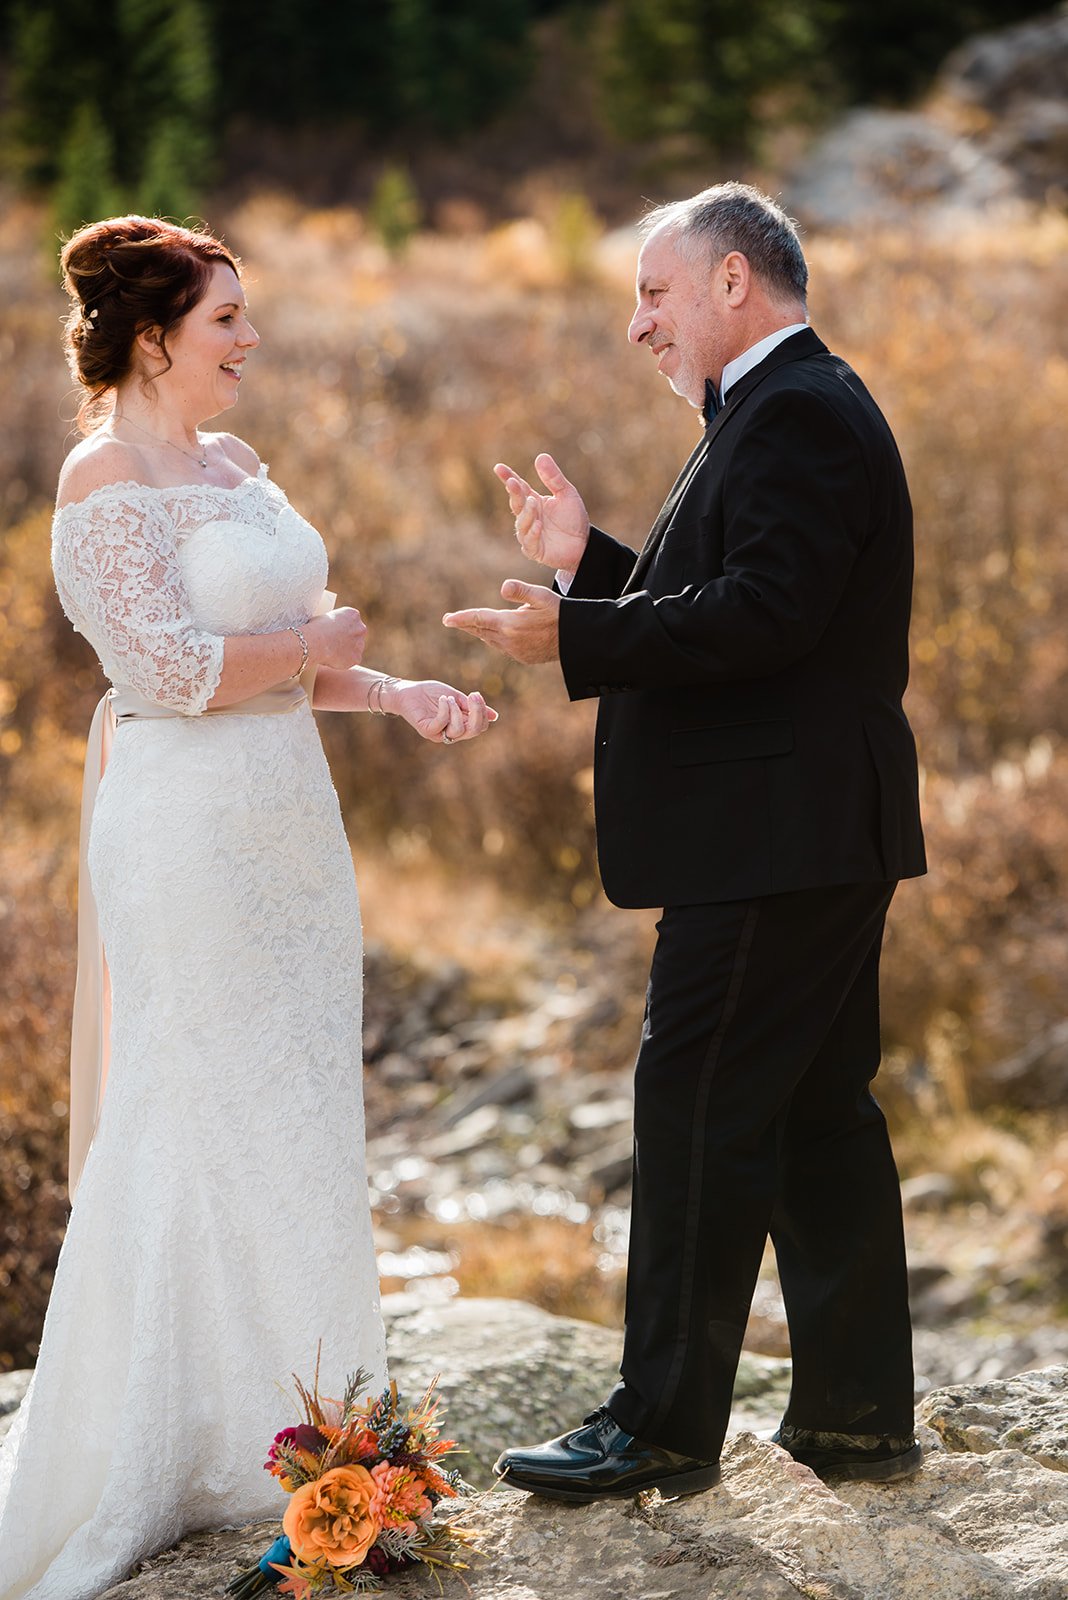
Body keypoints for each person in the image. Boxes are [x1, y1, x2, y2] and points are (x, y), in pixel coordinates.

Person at [0, 215, 496, 1600]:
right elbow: (162, 670)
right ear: (154, 337)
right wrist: (312, 649)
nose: (251, 343)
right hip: (186, 829)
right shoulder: (100, 479)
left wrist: (392, 693)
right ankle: (162, 1442)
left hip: (289, 821)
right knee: (194, 1096)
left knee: (294, 1103)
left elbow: (296, 659)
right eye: (227, 321)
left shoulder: (238, 465)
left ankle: (313, 1431)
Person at [444, 181, 927, 1501]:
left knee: (696, 1107)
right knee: (818, 1116)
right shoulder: (780, 409)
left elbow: (766, 617)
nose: (639, 324)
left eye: (654, 293)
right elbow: (749, 603)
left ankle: (659, 1426)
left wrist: (580, 634)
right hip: (808, 826)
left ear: (733, 282)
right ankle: (857, 1420)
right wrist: (593, 567)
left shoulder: (798, 414)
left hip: (775, 837)